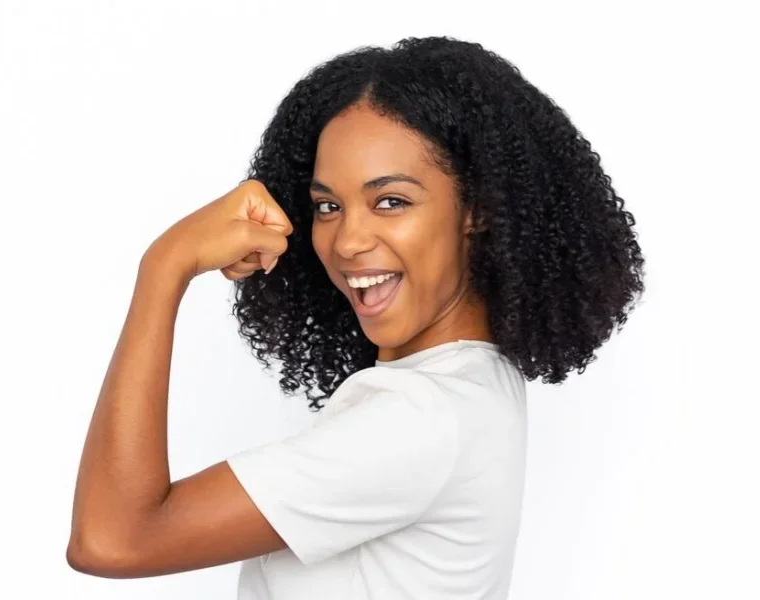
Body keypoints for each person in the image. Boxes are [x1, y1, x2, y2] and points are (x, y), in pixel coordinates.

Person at [66, 36, 645, 599]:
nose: (347, 242)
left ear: (478, 209)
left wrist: (165, 265)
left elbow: (113, 539)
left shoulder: (422, 417)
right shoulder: (469, 387)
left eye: (391, 200)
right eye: (327, 206)